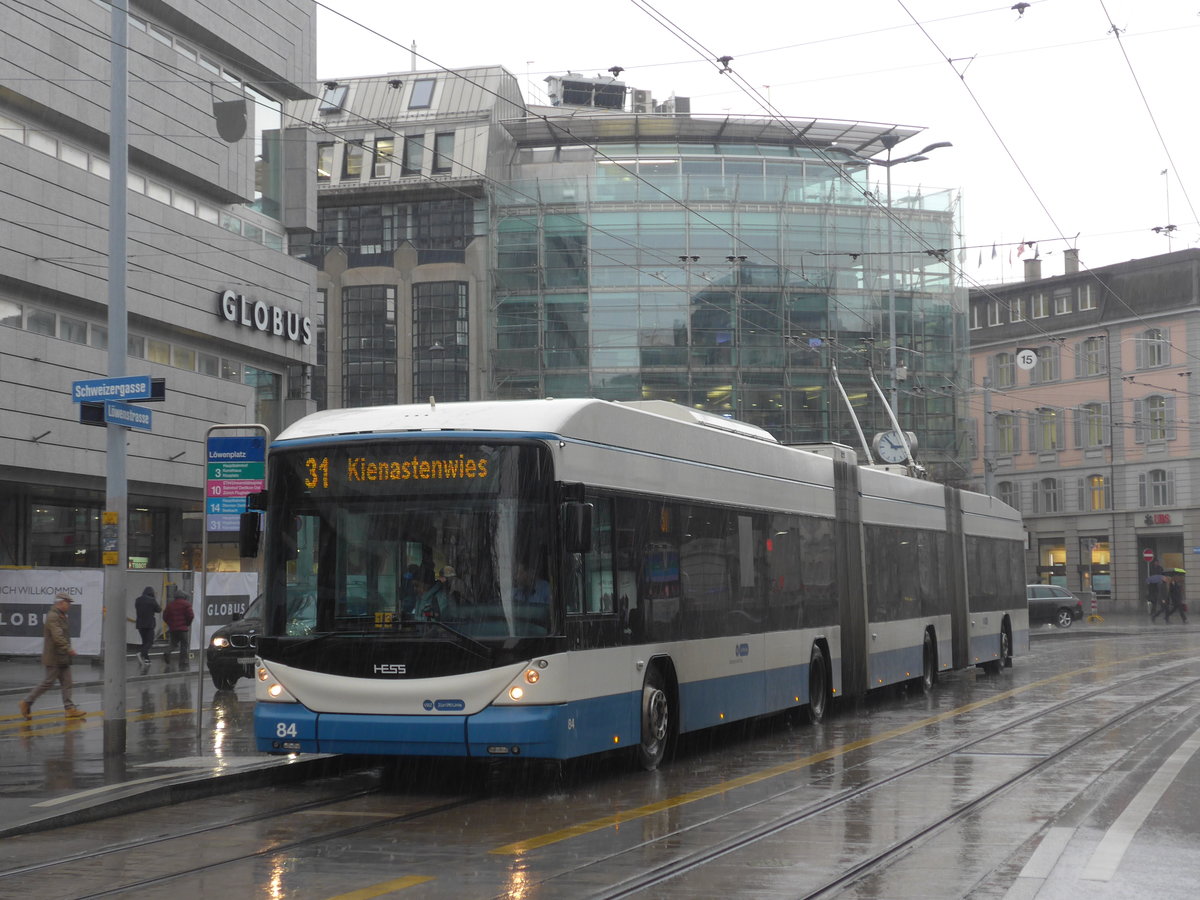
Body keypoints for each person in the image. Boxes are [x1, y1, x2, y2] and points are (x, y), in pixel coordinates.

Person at [18, 593, 86, 720]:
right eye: (67, 603)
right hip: (54, 657)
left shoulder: (61, 615)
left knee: (67, 682)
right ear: (60, 602)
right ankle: (26, 701)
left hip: (62, 657)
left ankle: (69, 708)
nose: (69, 605)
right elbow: (57, 636)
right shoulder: (53, 616)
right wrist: (68, 648)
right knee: (48, 682)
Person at [163, 588, 195, 666]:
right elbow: (191, 615)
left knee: (173, 643)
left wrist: (170, 624)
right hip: (183, 629)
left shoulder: (170, 605)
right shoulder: (186, 604)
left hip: (173, 628)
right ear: (184, 596)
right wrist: (187, 623)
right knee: (184, 645)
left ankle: (167, 652)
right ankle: (182, 661)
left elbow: (165, 616)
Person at [134, 586, 160, 664]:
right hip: (149, 625)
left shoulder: (138, 600)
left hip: (140, 624)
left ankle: (146, 659)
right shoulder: (152, 600)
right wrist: (156, 599)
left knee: (144, 642)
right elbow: (159, 609)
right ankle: (141, 654)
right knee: (150, 641)